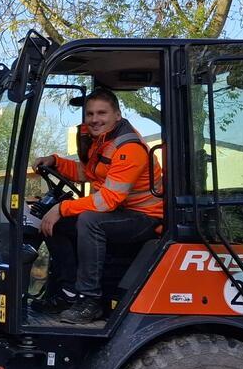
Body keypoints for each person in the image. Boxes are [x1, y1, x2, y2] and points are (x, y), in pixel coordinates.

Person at [33, 88, 163, 323]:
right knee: (56, 224)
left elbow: (108, 200)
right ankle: (68, 292)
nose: (94, 119)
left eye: (101, 113)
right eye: (90, 114)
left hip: (145, 217)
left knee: (89, 220)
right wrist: (56, 161)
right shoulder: (103, 141)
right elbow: (88, 173)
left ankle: (90, 300)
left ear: (117, 115)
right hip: (121, 212)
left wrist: (61, 208)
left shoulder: (129, 148)